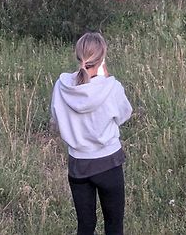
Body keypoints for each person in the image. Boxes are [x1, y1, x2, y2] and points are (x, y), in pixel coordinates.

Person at [50, 32, 133, 235]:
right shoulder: (111, 87)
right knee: (114, 226)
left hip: (78, 165)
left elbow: (55, 119)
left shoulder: (62, 86)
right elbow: (124, 115)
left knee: (85, 226)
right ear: (102, 58)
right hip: (108, 164)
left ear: (78, 56)